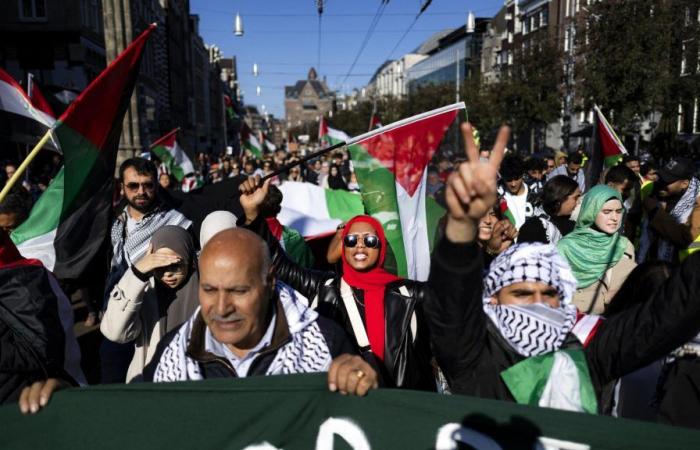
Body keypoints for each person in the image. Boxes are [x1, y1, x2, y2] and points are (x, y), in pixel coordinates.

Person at [426, 121, 700, 414]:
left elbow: (662, 317)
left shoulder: (587, 351)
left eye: (549, 292)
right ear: (492, 299)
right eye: (521, 293)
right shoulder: (472, 357)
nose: (538, 303)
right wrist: (461, 226)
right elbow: (450, 303)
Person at [239, 180, 436, 390]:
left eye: (369, 240)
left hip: (404, 406)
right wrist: (253, 215)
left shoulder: (413, 293)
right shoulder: (325, 287)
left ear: (380, 247)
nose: (360, 245)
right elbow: (277, 263)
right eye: (351, 240)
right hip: (347, 405)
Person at [139, 228, 378, 398]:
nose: (222, 308)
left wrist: (360, 381)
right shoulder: (171, 352)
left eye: (239, 291)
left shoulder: (327, 343)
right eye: (210, 290)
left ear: (270, 282)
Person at [103, 158, 191, 383]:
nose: (141, 191)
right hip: (116, 312)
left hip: (152, 321)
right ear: (122, 187)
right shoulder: (112, 220)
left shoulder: (176, 222)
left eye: (148, 185)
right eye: (133, 186)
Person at [101, 226, 200, 382]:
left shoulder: (207, 291)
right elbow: (115, 333)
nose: (167, 274)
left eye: (175, 266)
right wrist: (137, 274)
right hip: (153, 385)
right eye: (159, 266)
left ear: (189, 260)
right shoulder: (144, 291)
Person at [557, 185, 636, 314]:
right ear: (591, 210)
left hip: (613, 326)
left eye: (618, 211)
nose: (614, 218)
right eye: (607, 211)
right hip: (577, 324)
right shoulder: (565, 247)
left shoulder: (624, 245)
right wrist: (605, 298)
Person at [638, 157, 700, 263]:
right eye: (661, 177)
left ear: (684, 184)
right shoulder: (649, 189)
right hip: (646, 259)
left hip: (682, 264)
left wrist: (656, 212)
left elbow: (685, 237)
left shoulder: (697, 202)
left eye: (668, 180)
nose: (661, 183)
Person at [518, 175, 580, 245]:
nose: (578, 202)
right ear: (560, 198)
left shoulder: (572, 225)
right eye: (575, 198)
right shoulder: (533, 228)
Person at [497, 153, 534, 229]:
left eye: (516, 178)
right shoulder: (497, 194)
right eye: (509, 180)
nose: (513, 184)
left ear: (522, 175)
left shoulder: (535, 196)